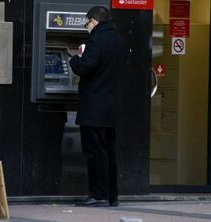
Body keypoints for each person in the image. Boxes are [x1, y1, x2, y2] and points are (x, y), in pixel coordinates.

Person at [69, 6, 127, 207]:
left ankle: (98, 194)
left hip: (94, 107)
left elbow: (85, 67)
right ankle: (112, 195)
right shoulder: (118, 41)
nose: (87, 28)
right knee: (109, 152)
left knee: (95, 152)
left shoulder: (96, 40)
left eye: (87, 24)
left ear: (93, 21)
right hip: (111, 107)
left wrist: (75, 59)